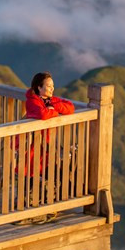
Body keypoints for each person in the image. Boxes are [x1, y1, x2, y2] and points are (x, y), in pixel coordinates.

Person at [15, 72, 74, 226]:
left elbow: (70, 107)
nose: (52, 89)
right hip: (32, 149)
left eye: (53, 86)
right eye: (48, 86)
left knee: (55, 176)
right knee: (31, 179)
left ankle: (47, 207)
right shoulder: (32, 101)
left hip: (46, 149)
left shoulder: (49, 100)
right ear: (38, 87)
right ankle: (28, 211)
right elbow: (42, 114)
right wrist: (53, 111)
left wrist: (53, 106)